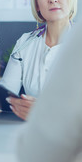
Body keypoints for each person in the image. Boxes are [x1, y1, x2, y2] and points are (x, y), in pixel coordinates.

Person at [16, 15, 82, 162]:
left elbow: (40, 150)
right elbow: (7, 93)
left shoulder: (77, 38)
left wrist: (41, 115)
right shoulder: (26, 41)